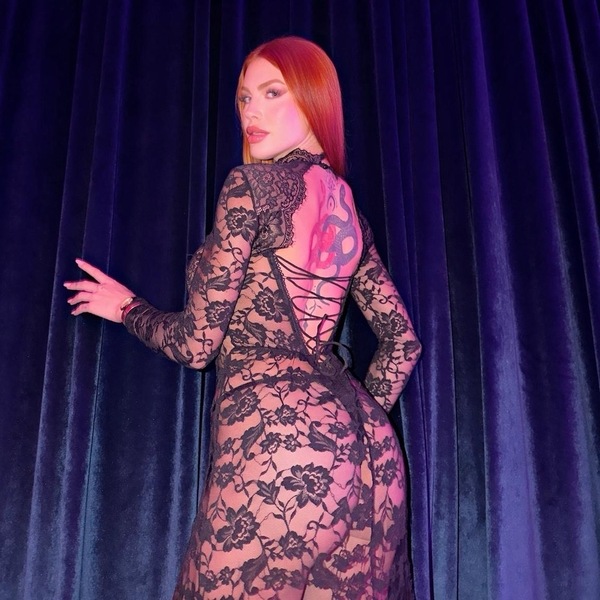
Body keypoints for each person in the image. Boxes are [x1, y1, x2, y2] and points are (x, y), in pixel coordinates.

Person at [65, 36, 421, 600]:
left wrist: (127, 308)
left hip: (277, 445)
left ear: (314, 99)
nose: (251, 111)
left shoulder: (250, 187)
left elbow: (196, 345)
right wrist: (343, 421)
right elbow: (403, 343)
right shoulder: (349, 213)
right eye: (244, 98)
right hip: (370, 455)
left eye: (272, 92)